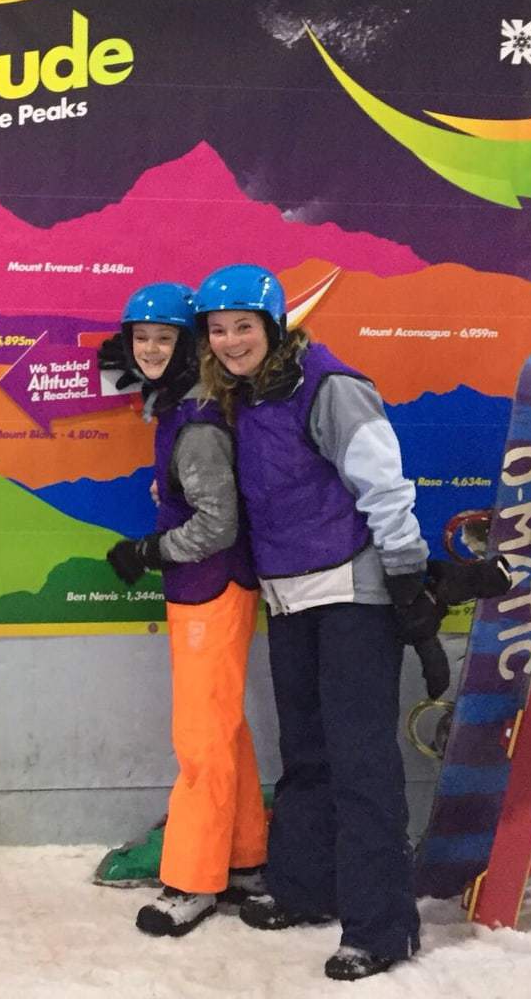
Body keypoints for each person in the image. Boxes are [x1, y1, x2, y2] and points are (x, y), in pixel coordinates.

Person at [196, 263, 433, 981]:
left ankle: (381, 927)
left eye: (244, 326)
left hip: (352, 593)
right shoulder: (243, 398)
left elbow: (382, 481)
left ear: (274, 327)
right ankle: (305, 887)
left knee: (360, 758)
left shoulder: (329, 388)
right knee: (304, 749)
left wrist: (405, 572)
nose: (232, 340)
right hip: (288, 594)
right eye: (218, 329)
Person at [101, 282, 268, 939]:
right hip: (206, 589)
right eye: (139, 337)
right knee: (224, 728)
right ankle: (245, 856)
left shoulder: (194, 418)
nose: (147, 349)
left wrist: (147, 550)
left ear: (186, 345)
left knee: (201, 739)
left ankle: (193, 881)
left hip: (210, 589)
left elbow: (218, 524)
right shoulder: (179, 407)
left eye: (162, 338)